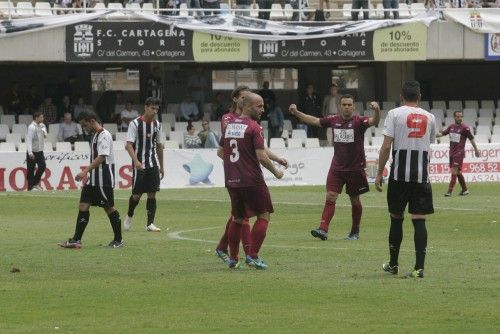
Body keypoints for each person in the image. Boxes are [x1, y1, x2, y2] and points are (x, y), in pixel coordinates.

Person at [214, 86, 288, 266]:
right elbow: (261, 156)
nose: (263, 110)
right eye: (259, 106)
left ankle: (233, 259)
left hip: (232, 180)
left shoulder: (230, 126)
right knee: (264, 215)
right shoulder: (254, 127)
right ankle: (252, 255)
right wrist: (276, 172)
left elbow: (221, 151)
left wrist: (235, 166)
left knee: (238, 218)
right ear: (247, 106)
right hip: (251, 179)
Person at [289, 96, 380, 241]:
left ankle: (355, 231)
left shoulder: (359, 121)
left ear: (353, 107)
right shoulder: (333, 120)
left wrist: (377, 110)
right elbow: (313, 120)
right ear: (340, 106)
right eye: (344, 104)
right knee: (330, 196)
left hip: (355, 168)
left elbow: (374, 121)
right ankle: (323, 229)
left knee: (355, 200)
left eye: (349, 104)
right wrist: (296, 113)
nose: (346, 107)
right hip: (337, 168)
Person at [374, 80, 436, 279]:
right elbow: (429, 144)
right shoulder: (430, 117)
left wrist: (379, 172)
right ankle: (419, 268)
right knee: (419, 220)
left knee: (396, 218)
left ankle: (393, 264)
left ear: (401, 96)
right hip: (421, 176)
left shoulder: (394, 114)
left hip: (399, 176)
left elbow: (385, 147)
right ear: (419, 96)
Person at [58, 110, 123, 249]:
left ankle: (119, 240)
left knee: (109, 208)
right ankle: (76, 240)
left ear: (92, 121)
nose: (84, 128)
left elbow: (102, 156)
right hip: (93, 178)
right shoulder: (95, 135)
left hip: (103, 178)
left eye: (85, 125)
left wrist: (85, 171)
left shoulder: (104, 135)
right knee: (83, 206)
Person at [123, 97, 165, 233]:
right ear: (146, 108)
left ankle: (150, 223)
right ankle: (129, 215)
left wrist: (162, 166)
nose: (155, 111)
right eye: (153, 108)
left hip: (152, 164)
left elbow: (159, 146)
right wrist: (135, 161)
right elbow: (129, 144)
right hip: (139, 164)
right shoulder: (134, 124)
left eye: (157, 109)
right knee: (136, 195)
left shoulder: (157, 124)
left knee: (152, 194)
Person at [437, 111, 480, 196]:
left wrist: (476, 150)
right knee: (458, 172)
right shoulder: (451, 127)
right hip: (452, 153)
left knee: (454, 171)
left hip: (459, 153)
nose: (460, 118)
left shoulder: (465, 128)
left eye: (461, 116)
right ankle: (465, 190)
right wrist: (431, 135)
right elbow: (442, 134)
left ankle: (449, 192)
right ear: (454, 117)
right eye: (458, 116)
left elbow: (471, 139)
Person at [25, 111, 47, 191]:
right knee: (31, 169)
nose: (43, 118)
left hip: (40, 151)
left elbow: (45, 135)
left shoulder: (42, 125)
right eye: (41, 117)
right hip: (33, 151)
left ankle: (34, 183)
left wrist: (45, 134)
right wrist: (30, 152)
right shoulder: (31, 127)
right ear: (36, 118)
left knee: (43, 166)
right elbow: (29, 140)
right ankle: (30, 187)